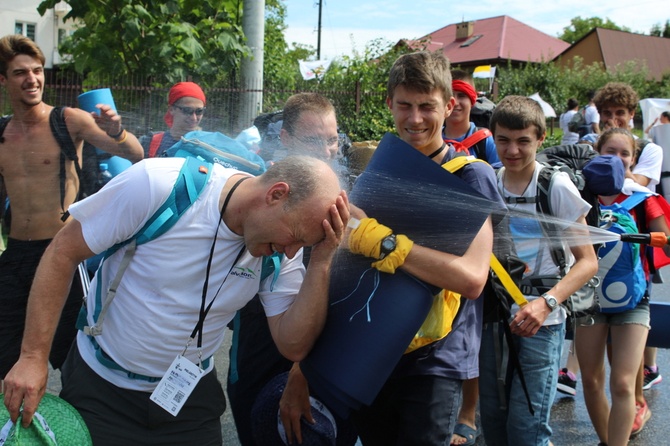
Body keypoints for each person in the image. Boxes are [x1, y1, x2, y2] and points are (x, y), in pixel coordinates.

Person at [2, 155, 350, 445]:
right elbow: (63, 252)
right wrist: (33, 357)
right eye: (295, 238)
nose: (291, 252)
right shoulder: (159, 185)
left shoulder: (280, 252)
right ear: (276, 194)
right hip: (102, 389)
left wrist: (321, 259)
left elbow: (293, 344)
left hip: (189, 402)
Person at [347, 50, 501, 446]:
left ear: (449, 106)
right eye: (405, 106)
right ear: (389, 104)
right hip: (373, 348)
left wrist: (385, 243)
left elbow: (471, 279)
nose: (415, 119)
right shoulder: (376, 171)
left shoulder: (472, 176)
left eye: (427, 107)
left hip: (435, 358)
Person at [0, 34, 143, 380]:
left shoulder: (67, 120)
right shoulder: (2, 132)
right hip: (15, 253)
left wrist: (118, 132)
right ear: (3, 80)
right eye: (20, 73)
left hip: (60, 251)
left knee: (72, 357)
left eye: (37, 71)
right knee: (6, 355)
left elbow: (135, 155)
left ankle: (82, 427)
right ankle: (13, 432)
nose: (32, 79)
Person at [226, 92, 346, 446]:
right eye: (314, 140)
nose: (326, 151)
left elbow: (342, 296)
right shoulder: (264, 193)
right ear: (286, 139)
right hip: (256, 345)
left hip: (312, 359)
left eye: (332, 140)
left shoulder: (341, 202)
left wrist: (302, 371)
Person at [479, 95, 598, 446]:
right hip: (495, 313)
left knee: (527, 426)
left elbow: (587, 260)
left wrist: (546, 303)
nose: (512, 150)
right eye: (503, 140)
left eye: (523, 141)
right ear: (492, 136)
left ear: (541, 139)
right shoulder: (488, 182)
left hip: (542, 319)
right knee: (493, 421)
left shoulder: (555, 186)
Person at [576, 128, 670, 446]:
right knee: (590, 380)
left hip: (634, 301)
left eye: (624, 154)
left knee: (623, 384)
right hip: (589, 298)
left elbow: (667, 243)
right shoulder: (579, 196)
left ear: (633, 160)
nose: (617, 159)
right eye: (610, 152)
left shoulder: (644, 200)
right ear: (596, 152)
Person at [593, 82, 664, 424]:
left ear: (632, 115)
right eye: (606, 114)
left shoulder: (649, 150)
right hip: (602, 270)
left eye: (619, 113)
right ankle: (629, 401)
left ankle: (636, 399)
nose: (613, 119)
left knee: (631, 336)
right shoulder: (593, 168)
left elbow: (638, 183)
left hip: (639, 265)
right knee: (612, 344)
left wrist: (610, 166)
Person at [444, 69, 500, 446]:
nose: (460, 103)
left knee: (470, 334)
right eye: (454, 96)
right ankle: (444, 406)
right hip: (440, 242)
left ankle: (468, 411)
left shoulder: (483, 141)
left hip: (476, 245)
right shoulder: (431, 140)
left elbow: (497, 184)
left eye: (465, 96)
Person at [443, 69, 499, 164]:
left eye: (461, 96)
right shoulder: (431, 139)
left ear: (472, 101)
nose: (455, 103)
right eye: (450, 96)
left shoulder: (487, 141)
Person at [140, 81, 207, 158]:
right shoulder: (150, 142)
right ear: (171, 109)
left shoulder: (209, 146)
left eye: (199, 111)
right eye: (187, 110)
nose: (193, 118)